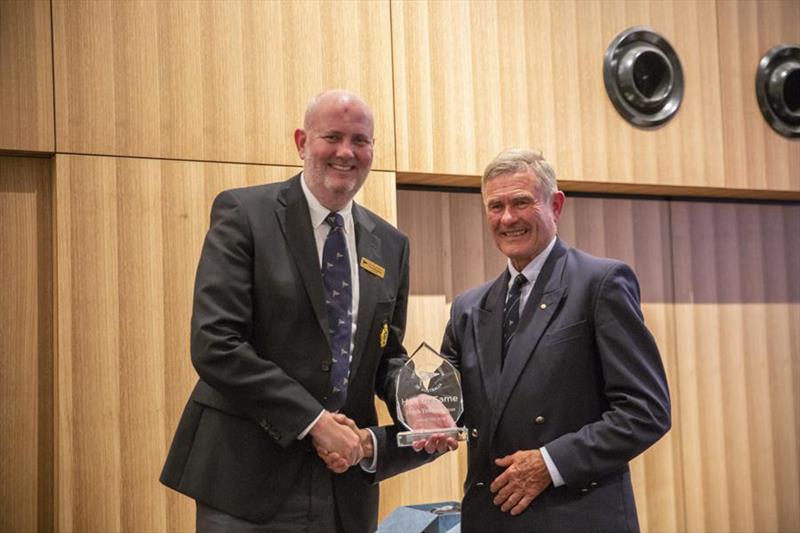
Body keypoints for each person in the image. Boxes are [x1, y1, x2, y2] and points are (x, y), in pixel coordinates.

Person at [160, 90, 442, 532]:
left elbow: (384, 353)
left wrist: (413, 400)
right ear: (301, 142)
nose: (346, 152)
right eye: (332, 136)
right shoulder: (244, 214)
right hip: (247, 480)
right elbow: (217, 344)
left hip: (343, 484)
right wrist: (314, 422)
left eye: (360, 140)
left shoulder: (390, 244)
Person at [440, 148, 671, 532]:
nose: (508, 218)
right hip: (490, 518)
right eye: (495, 206)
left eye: (521, 202)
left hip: (575, 516)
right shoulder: (468, 307)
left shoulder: (601, 284)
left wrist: (551, 463)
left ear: (556, 204)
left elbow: (646, 411)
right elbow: (448, 408)